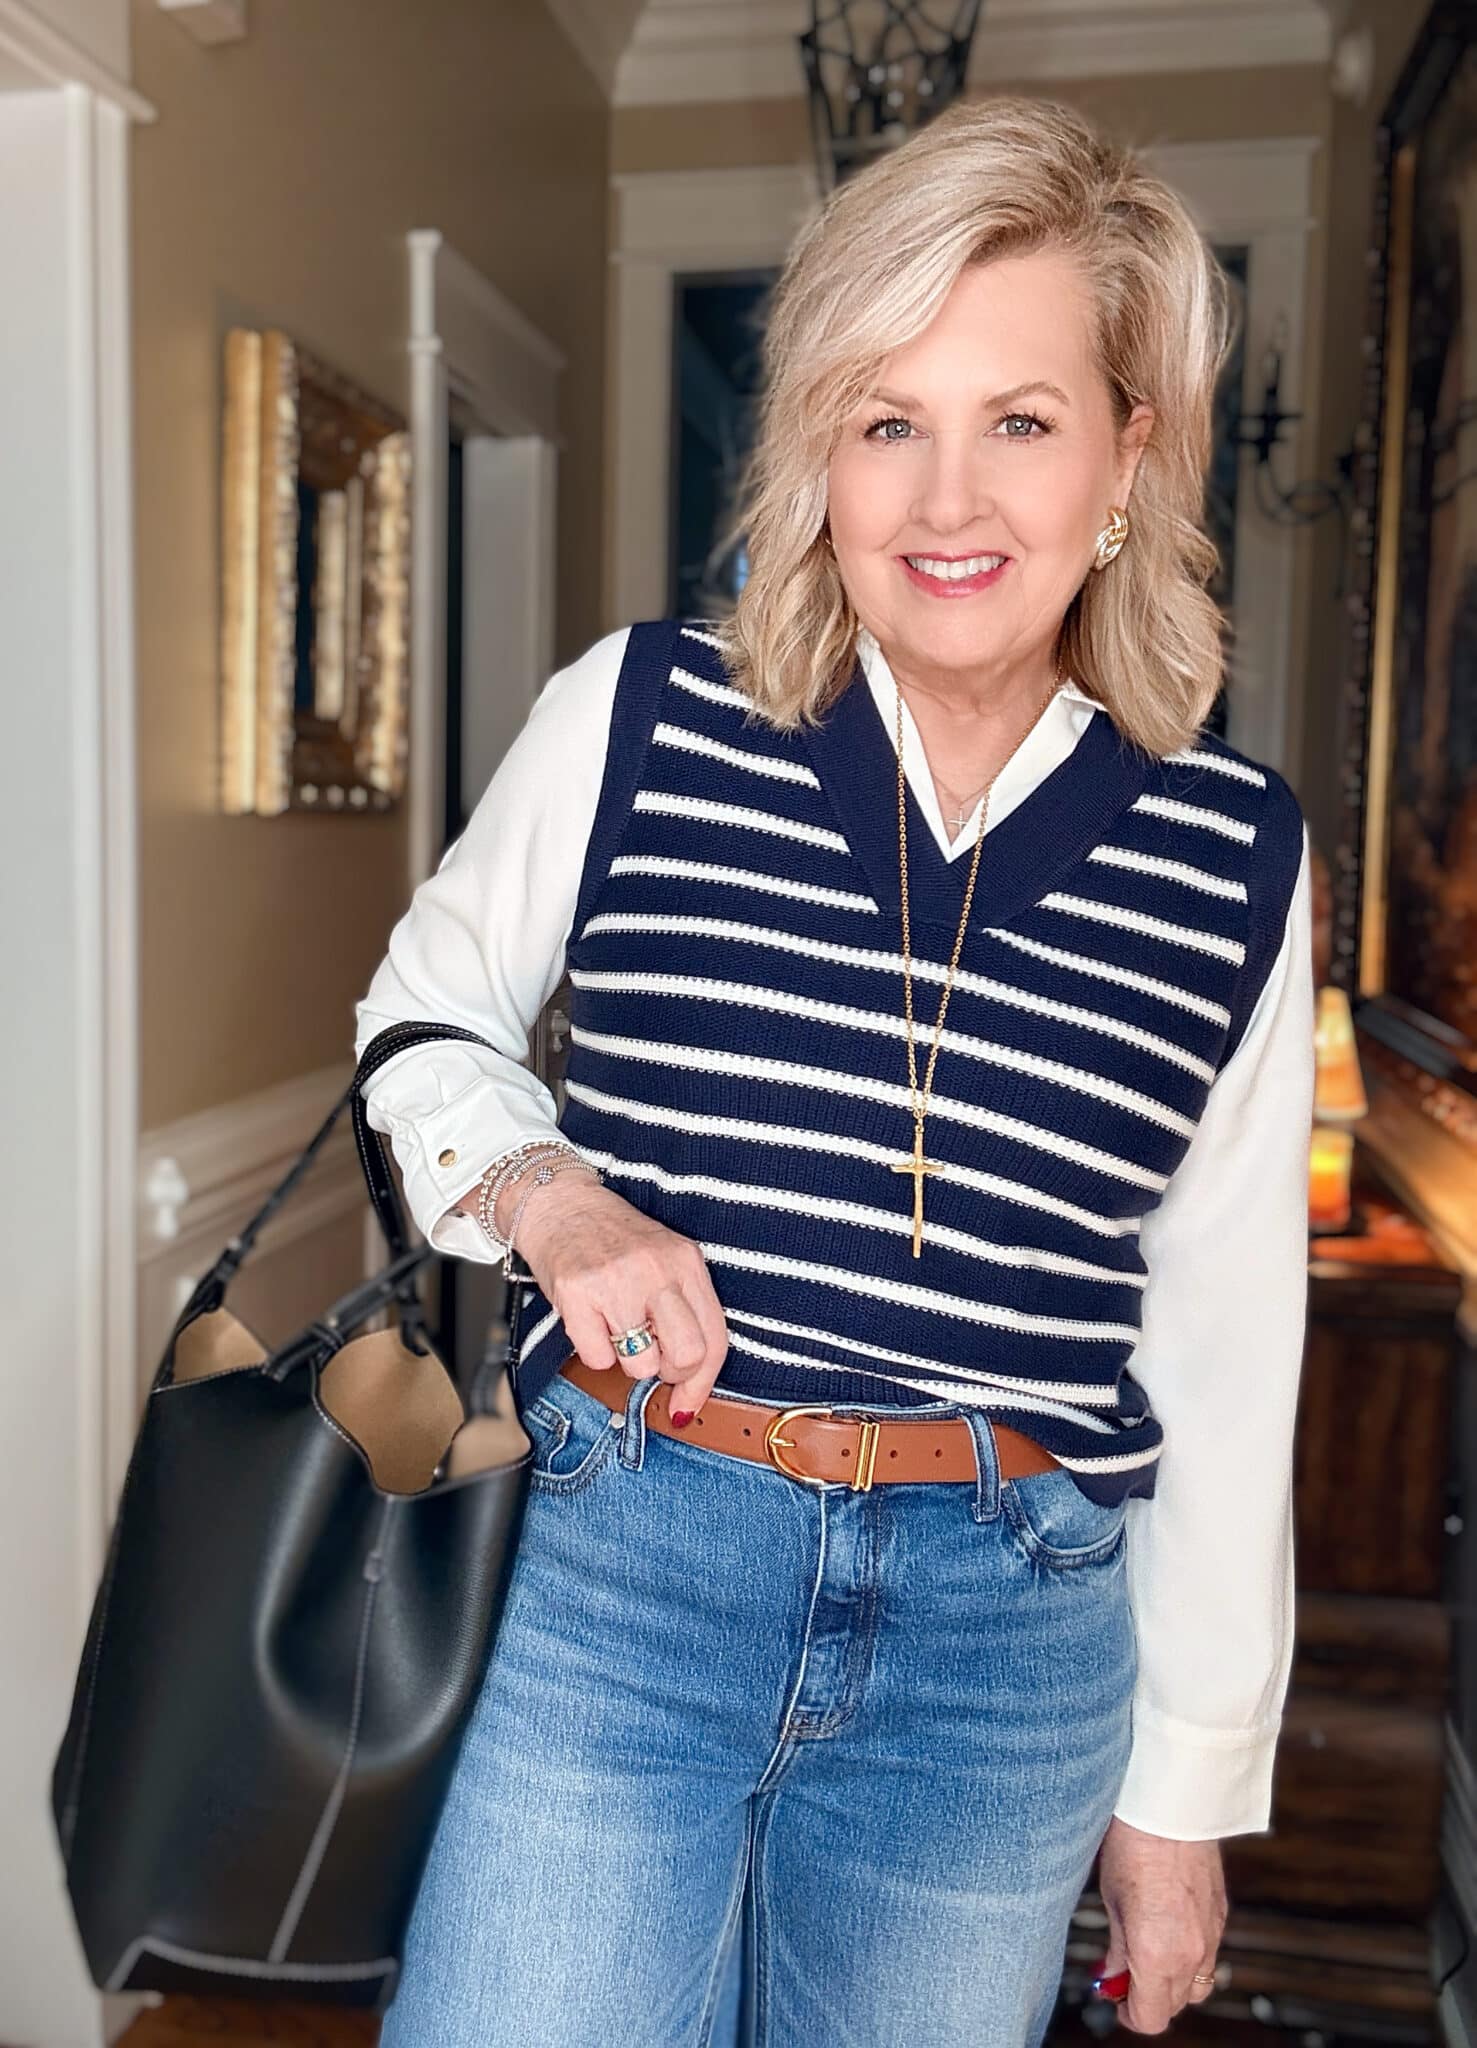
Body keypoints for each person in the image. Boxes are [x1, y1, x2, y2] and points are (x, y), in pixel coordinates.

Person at [356, 92, 1313, 2048]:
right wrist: (548, 1192)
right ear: (815, 458)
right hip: (631, 1562)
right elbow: (423, 1011)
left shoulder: (1237, 859)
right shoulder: (636, 718)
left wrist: (1184, 1792)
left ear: (1128, 455)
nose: (946, 501)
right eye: (888, 422)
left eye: (1018, 420)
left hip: (1008, 1630)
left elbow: (1223, 1344)